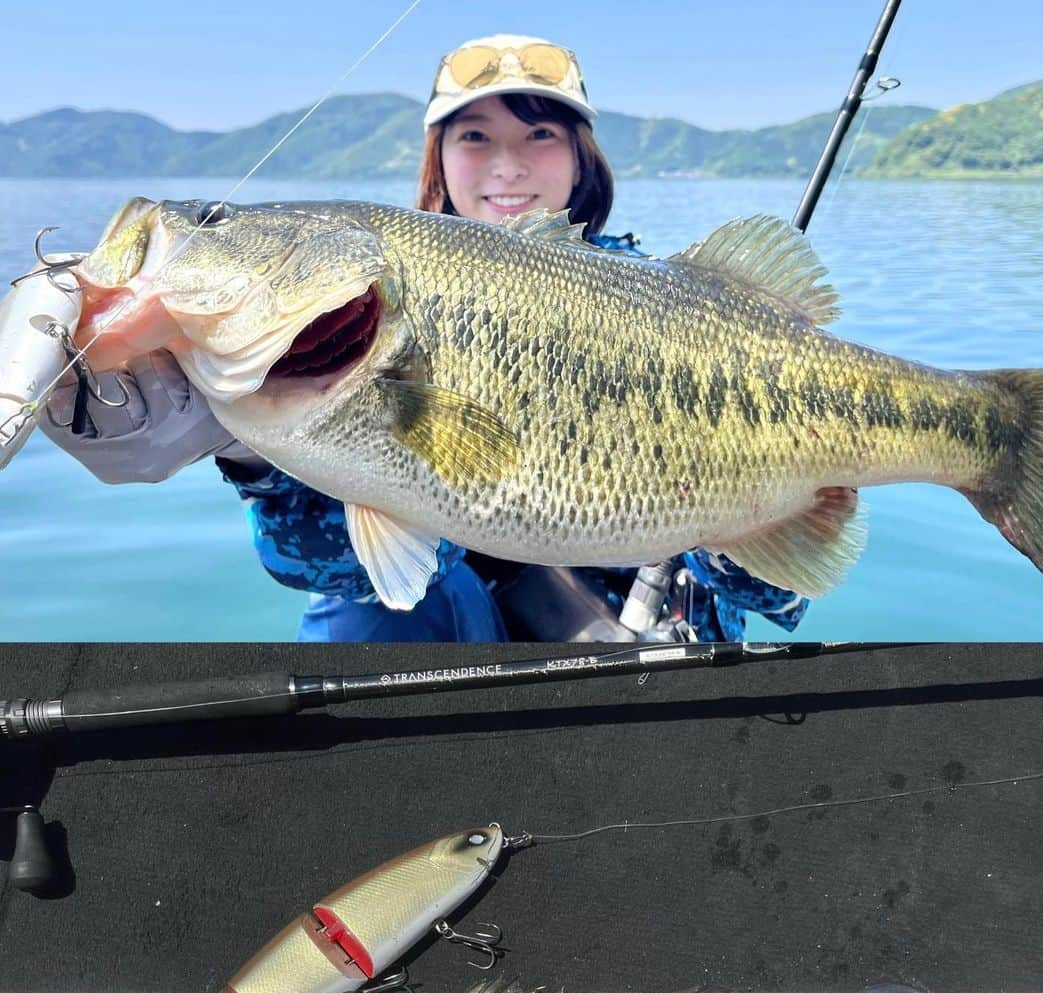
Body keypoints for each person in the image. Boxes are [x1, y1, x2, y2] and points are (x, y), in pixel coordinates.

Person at [43, 34, 808, 643]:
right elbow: (346, 575)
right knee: (363, 614)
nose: (507, 165)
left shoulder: (684, 310)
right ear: (438, 160)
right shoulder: (367, 306)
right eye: (474, 135)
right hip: (462, 627)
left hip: (651, 653)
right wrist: (246, 448)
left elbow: (780, 596)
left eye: (540, 133)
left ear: (581, 157)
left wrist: (733, 513)